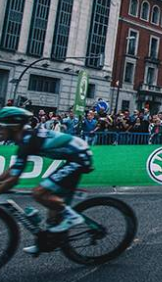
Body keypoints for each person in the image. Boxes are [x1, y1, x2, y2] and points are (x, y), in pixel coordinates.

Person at [0, 107, 93, 255]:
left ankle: (72, 217)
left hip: (79, 157)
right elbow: (14, 169)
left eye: (2, 127)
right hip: (73, 156)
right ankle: (47, 240)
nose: (0, 131)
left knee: (39, 192)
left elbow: (13, 180)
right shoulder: (24, 138)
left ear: (14, 127)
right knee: (51, 203)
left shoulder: (27, 140)